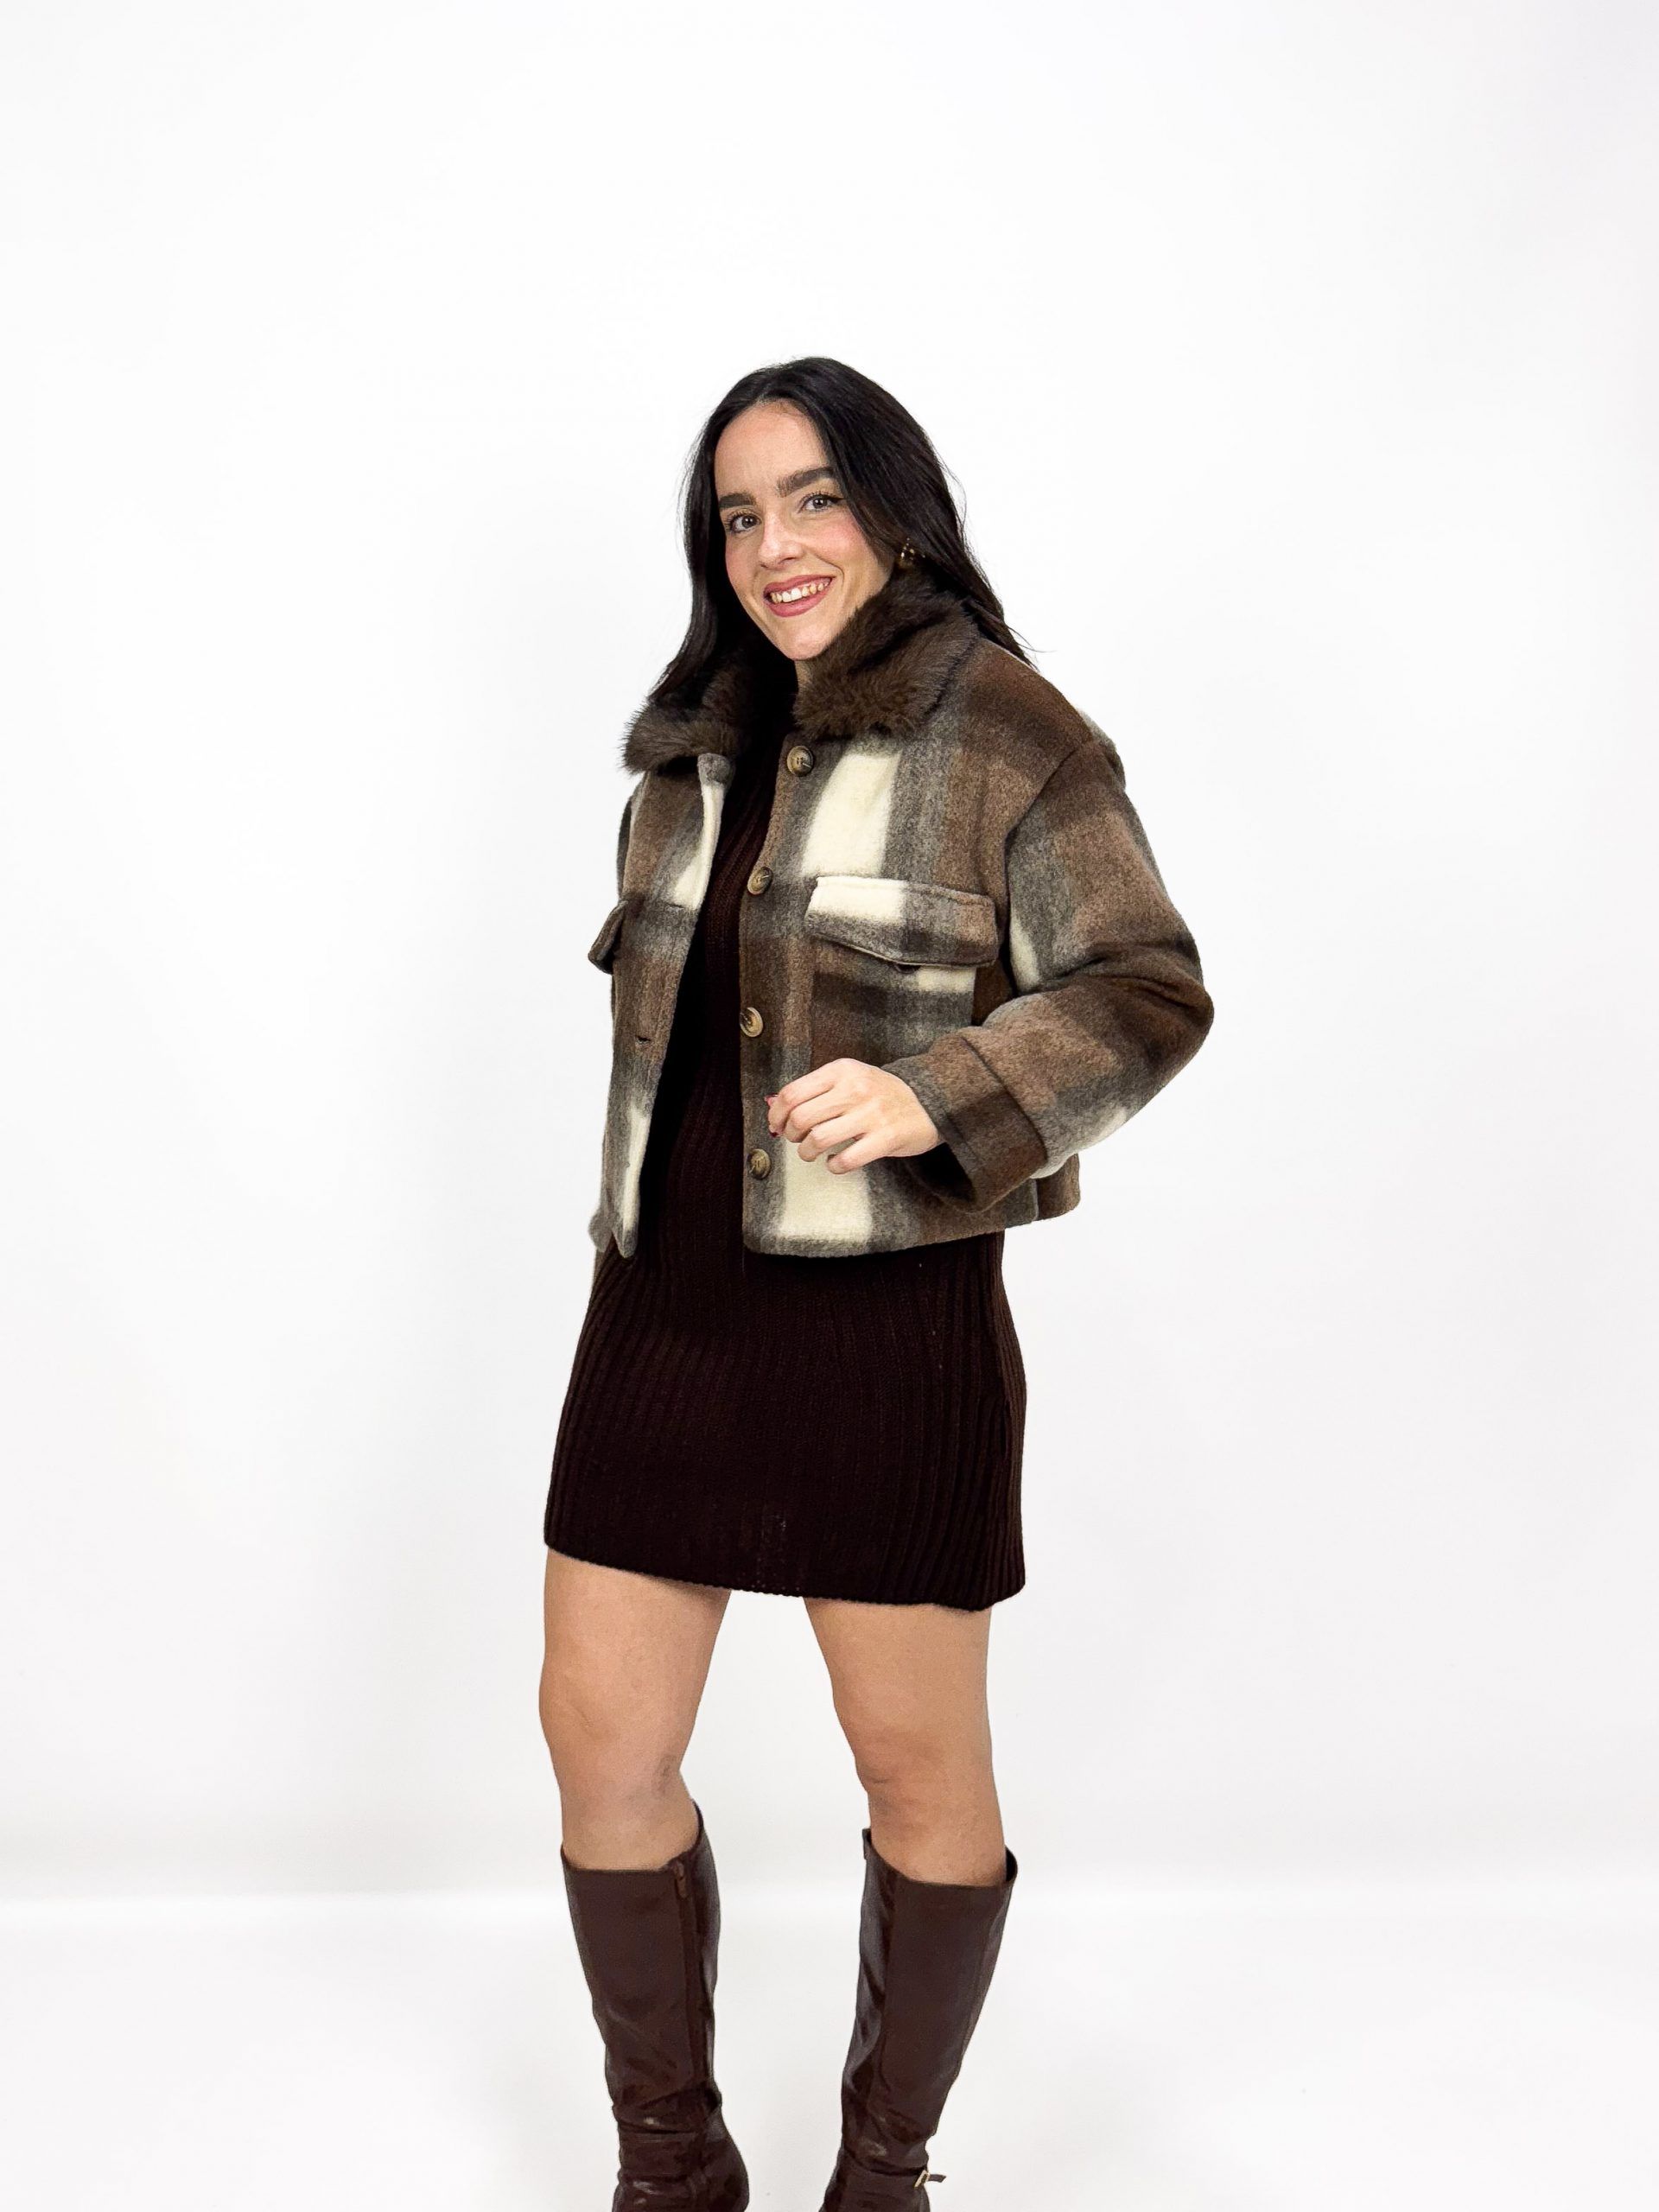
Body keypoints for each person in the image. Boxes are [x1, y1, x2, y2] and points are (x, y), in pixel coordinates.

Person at [539, 355, 1215, 2210]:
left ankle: (885, 2167)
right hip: (662, 1319)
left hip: (889, 1331)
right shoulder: (687, 751)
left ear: (897, 514)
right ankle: (673, 2163)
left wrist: (941, 1090)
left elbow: (1148, 988)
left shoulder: (1008, 730)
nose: (777, 543)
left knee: (919, 1771)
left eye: (815, 496)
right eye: (740, 514)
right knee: (598, 1742)